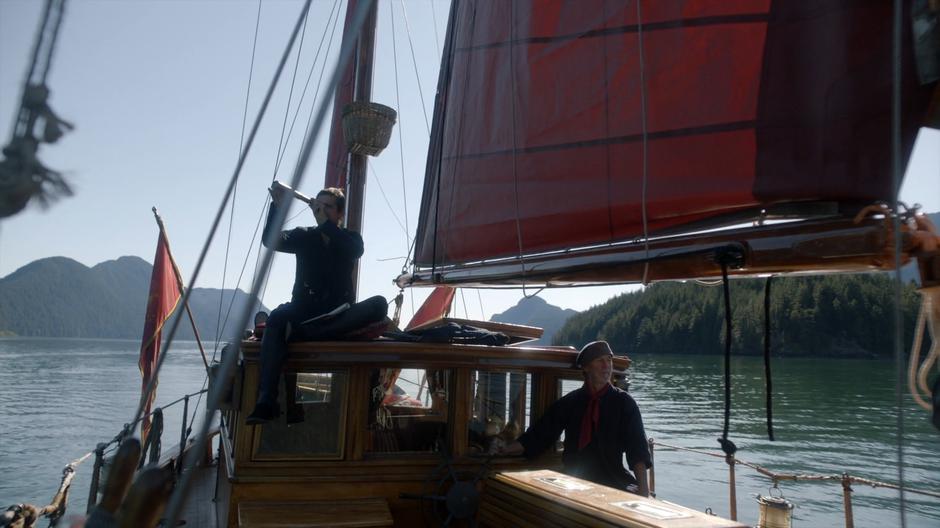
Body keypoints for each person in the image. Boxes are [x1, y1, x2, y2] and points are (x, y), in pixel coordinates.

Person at [246, 185, 364, 425]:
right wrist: (277, 206)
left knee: (378, 305)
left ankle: (308, 332)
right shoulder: (303, 235)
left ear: (339, 214)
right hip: (304, 308)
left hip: (338, 312)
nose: (321, 210)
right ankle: (266, 401)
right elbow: (270, 240)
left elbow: (354, 250)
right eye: (318, 206)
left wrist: (325, 224)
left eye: (327, 207)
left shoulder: (350, 238)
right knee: (277, 317)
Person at [493, 341, 651, 496]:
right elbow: (540, 435)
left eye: (609, 360)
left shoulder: (624, 402)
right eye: (600, 361)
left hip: (613, 480)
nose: (607, 366)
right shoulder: (570, 402)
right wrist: (505, 449)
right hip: (575, 481)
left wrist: (644, 491)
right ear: (586, 367)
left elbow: (637, 447)